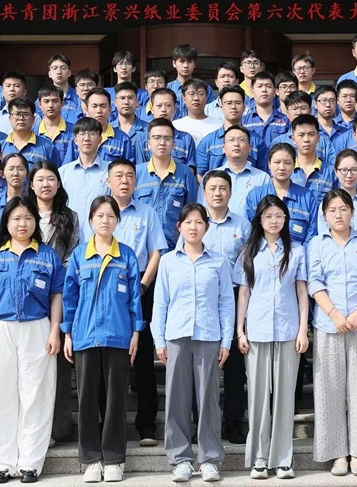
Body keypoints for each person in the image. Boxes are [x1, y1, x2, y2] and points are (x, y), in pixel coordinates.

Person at [0, 197, 65, 484]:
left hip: (37, 328)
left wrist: (55, 331)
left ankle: (30, 463)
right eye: (16, 218)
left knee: (36, 394)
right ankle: (1, 463)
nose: (22, 223)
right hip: (0, 329)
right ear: (6, 223)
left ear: (35, 222)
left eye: (28, 218)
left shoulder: (47, 255)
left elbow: (57, 296)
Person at [62, 196, 143, 483]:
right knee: (86, 400)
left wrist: (136, 333)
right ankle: (90, 459)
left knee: (116, 400)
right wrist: (67, 334)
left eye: (110, 216)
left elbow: (134, 299)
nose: (105, 220)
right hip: (85, 336)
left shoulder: (127, 256)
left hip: (119, 336)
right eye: (100, 215)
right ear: (91, 220)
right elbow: (69, 299)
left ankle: (114, 459)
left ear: (117, 221)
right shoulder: (79, 256)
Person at [152, 203, 234, 483]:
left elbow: (226, 303)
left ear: (206, 227)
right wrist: (159, 340)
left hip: (209, 335)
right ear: (179, 227)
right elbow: (160, 303)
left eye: (199, 222)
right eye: (188, 222)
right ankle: (180, 459)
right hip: (176, 336)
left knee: (208, 399)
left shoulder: (218, 262)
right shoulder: (168, 262)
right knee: (176, 398)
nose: (193, 227)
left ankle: (210, 458)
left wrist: (226, 340)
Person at [308, 189, 357, 476]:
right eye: (332, 210)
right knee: (329, 390)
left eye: (343, 209)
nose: (338, 215)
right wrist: (335, 315)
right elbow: (315, 282)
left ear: (352, 212)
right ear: (324, 215)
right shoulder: (316, 244)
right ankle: (337, 454)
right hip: (329, 325)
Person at [234, 196, 308, 480]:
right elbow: (244, 293)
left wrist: (303, 330)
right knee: (258, 398)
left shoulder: (297, 251)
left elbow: (302, 293)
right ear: (260, 220)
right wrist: (240, 331)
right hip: (257, 331)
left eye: (279, 215)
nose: (274, 221)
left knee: (285, 398)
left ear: (286, 219)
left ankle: (283, 459)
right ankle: (260, 458)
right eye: (268, 216)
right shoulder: (249, 252)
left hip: (288, 331)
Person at [99, 158, 167, 447]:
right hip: (106, 283)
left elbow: (155, 252)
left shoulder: (147, 212)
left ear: (136, 182)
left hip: (140, 284)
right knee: (108, 355)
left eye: (129, 175)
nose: (124, 180)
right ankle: (107, 423)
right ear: (108, 181)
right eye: (118, 175)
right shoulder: (101, 211)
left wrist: (143, 286)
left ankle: (146, 425)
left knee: (143, 357)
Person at [27, 161, 79, 447]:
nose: (45, 184)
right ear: (31, 185)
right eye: (40, 179)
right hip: (27, 296)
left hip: (59, 292)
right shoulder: (22, 213)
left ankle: (57, 428)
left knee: (57, 363)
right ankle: (30, 427)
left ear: (58, 184)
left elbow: (72, 256)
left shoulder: (70, 217)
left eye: (51, 179)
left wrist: (53, 276)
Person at [199, 170, 251, 444]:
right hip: (203, 298)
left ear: (230, 192)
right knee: (203, 363)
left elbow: (249, 264)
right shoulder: (195, 222)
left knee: (234, 366)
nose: (217, 193)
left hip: (233, 295)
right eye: (212, 188)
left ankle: (234, 421)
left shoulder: (243, 225)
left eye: (223, 188)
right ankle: (201, 420)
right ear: (204, 192)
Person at [135, 118, 198, 248]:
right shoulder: (137, 173)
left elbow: (192, 211)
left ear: (173, 144)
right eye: (156, 138)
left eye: (167, 138)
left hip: (175, 247)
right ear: (148, 144)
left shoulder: (185, 173)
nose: (162, 142)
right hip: (142, 245)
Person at [245, 143, 319, 245]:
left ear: (294, 164)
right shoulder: (255, 196)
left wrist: (299, 253)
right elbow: (250, 232)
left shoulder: (307, 197)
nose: (282, 167)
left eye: (287, 163)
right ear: (269, 164)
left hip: (298, 253)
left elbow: (312, 234)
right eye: (277, 162)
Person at [199, 125, 270, 219]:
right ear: (224, 148)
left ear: (249, 148)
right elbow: (201, 209)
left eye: (241, 140)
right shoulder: (210, 177)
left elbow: (268, 211)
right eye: (231, 140)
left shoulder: (263, 178)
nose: (236, 144)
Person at [196, 86, 268, 178]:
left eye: (238, 103)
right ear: (221, 107)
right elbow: (201, 176)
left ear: (244, 107)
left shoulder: (256, 141)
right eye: (228, 103)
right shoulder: (207, 142)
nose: (233, 107)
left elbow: (262, 172)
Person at [317, 149, 357, 242]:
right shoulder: (326, 204)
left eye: (354, 170)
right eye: (344, 170)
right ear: (336, 171)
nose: (349, 175)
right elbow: (324, 239)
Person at [58, 118, 110, 222]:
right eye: (82, 134)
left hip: (100, 230)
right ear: (75, 140)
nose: (87, 138)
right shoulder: (63, 172)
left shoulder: (110, 171)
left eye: (92, 133)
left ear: (100, 139)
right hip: (69, 230)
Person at [64, 88, 134, 163]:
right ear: (86, 110)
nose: (99, 111)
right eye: (94, 106)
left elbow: (129, 167)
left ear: (110, 110)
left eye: (103, 106)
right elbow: (68, 166)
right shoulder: (78, 137)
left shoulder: (123, 139)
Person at [287, 114, 336, 205]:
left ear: (318, 138)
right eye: (301, 135)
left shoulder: (331, 171)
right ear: (293, 139)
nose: (306, 139)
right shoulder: (286, 170)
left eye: (311, 134)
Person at [0, 97, 60, 169]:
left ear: (33, 119)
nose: (21, 118)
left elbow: (56, 173)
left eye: (26, 114)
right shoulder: (1, 146)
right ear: (10, 118)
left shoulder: (48, 146)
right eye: (17, 114)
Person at [167, 43, 216, 117]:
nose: (186, 65)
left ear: (194, 64)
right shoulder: (167, 88)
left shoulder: (205, 89)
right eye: (181, 61)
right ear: (174, 63)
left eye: (189, 61)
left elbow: (212, 112)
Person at [242, 71, 289, 146]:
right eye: (259, 86)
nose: (264, 90)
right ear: (252, 92)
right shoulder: (244, 122)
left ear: (274, 92)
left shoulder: (286, 120)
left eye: (268, 86)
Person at [172, 79, 223, 145]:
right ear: (184, 99)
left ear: (206, 98)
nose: (196, 98)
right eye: (191, 94)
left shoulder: (219, 125)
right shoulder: (175, 126)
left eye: (200, 94)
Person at [35, 84, 76, 164]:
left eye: (55, 101)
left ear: (62, 103)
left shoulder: (74, 131)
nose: (50, 105)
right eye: (46, 101)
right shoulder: (33, 132)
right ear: (39, 104)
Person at [112, 82, 150, 148]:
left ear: (137, 102)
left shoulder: (149, 129)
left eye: (130, 98)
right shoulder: (108, 129)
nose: (126, 102)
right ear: (115, 102)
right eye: (122, 98)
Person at [46, 54, 79, 121]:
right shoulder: (43, 99)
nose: (59, 72)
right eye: (55, 68)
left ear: (69, 73)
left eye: (63, 68)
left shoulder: (78, 96)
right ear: (49, 74)